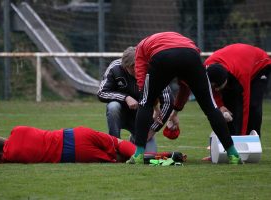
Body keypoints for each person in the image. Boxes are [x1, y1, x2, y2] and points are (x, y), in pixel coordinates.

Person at [126, 32, 242, 165]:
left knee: (144, 103)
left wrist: (148, 101)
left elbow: (141, 78)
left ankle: (138, 154)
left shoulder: (141, 47)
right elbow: (185, 85)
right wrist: (175, 112)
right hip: (190, 54)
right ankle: (233, 154)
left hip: (163, 56)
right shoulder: (182, 40)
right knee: (211, 107)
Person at [0, 125, 186, 164]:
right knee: (119, 143)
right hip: (76, 133)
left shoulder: (10, 157)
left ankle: (169, 158)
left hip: (75, 153)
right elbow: (5, 140)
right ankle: (168, 154)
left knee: (120, 160)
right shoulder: (18, 130)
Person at [98, 47, 174, 152]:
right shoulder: (115, 68)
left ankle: (135, 139)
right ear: (125, 66)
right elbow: (102, 93)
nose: (136, 69)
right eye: (132, 67)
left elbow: (168, 100)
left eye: (139, 66)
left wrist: (152, 129)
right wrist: (126, 98)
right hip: (121, 113)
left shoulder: (152, 69)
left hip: (142, 115)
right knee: (113, 106)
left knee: (149, 155)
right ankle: (115, 146)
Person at [205, 43, 271, 137]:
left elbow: (244, 107)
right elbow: (211, 91)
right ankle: (228, 139)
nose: (216, 89)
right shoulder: (206, 70)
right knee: (228, 107)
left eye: (219, 87)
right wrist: (221, 106)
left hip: (260, 64)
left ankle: (252, 141)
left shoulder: (241, 75)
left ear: (226, 80)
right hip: (235, 61)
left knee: (253, 106)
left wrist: (241, 139)